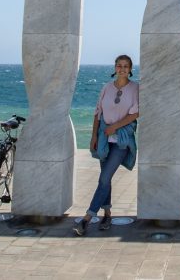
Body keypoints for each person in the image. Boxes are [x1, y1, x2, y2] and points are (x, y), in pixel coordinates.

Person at [73, 54, 139, 236]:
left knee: (104, 178)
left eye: (126, 66)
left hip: (121, 141)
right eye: (119, 65)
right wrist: (94, 135)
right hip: (103, 139)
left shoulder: (135, 88)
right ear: (115, 68)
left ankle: (87, 218)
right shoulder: (106, 88)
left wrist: (114, 128)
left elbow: (135, 114)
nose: (122, 69)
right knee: (105, 178)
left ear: (130, 68)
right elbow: (97, 113)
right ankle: (107, 215)